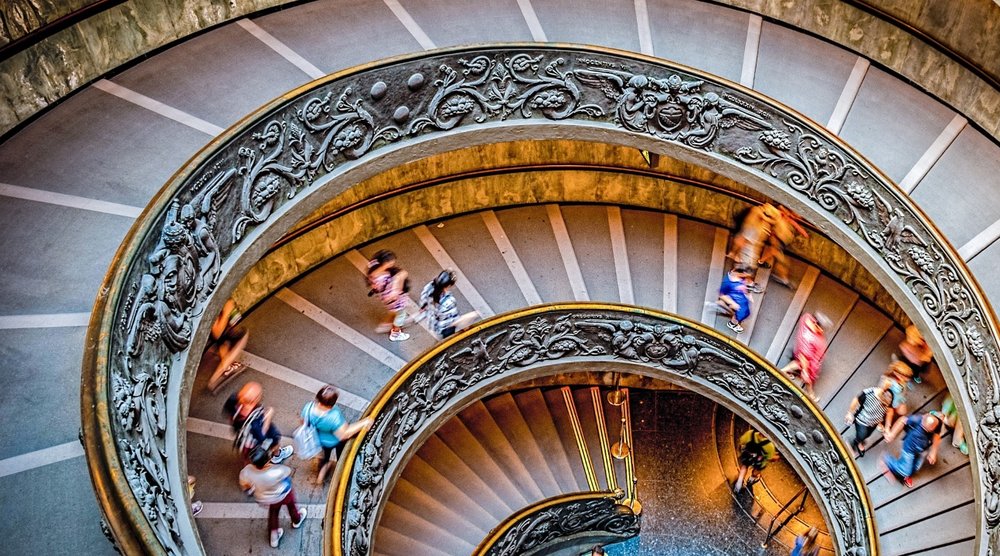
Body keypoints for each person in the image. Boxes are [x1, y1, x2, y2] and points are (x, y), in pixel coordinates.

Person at [301, 385, 374, 484]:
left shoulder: (308, 408)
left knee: (325, 457)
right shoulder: (333, 417)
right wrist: (364, 422)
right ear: (332, 404)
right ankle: (341, 472)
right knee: (342, 457)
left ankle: (321, 476)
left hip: (320, 440)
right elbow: (344, 434)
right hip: (336, 441)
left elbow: (303, 422)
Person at [239, 445, 307, 548]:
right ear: (267, 460)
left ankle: (274, 537)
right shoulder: (276, 471)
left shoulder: (247, 472)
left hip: (266, 499)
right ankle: (297, 520)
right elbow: (287, 472)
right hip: (283, 494)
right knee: (291, 506)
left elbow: (245, 486)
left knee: (273, 514)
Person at [224, 381, 293, 464]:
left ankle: (249, 466)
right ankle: (277, 455)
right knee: (274, 440)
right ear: (254, 400)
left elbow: (228, 414)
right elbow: (262, 436)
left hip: (243, 440)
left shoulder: (233, 400)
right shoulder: (255, 418)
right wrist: (268, 416)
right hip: (254, 443)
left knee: (249, 456)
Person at [881, 412, 944, 488]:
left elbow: (937, 436)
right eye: (923, 426)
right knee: (905, 470)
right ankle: (886, 461)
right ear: (923, 417)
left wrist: (933, 452)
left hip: (921, 450)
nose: (924, 430)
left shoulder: (937, 424)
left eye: (928, 429)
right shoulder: (917, 419)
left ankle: (906, 474)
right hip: (909, 449)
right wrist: (892, 434)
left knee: (916, 466)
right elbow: (902, 420)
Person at [780, 312, 831, 402]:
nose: (822, 331)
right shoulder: (810, 340)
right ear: (816, 324)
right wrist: (805, 371)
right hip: (805, 360)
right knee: (806, 375)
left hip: (799, 352)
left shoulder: (806, 318)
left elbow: (806, 317)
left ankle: (783, 371)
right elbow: (804, 357)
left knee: (798, 364)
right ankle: (811, 395)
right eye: (821, 329)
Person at [418, 270, 480, 339]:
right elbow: (453, 319)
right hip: (443, 328)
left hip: (432, 322)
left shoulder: (429, 287)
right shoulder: (449, 301)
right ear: (449, 285)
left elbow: (423, 300)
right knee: (473, 315)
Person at [758, 205, 808, 288]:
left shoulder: (790, 219)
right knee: (780, 258)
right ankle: (782, 277)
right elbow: (779, 207)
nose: (799, 217)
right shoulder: (783, 215)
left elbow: (799, 229)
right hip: (778, 238)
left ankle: (762, 262)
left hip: (781, 240)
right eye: (798, 214)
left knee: (776, 254)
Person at [366, 250, 411, 342]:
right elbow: (393, 294)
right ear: (385, 263)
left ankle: (387, 323)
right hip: (394, 300)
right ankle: (395, 333)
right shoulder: (383, 277)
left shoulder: (373, 272)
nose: (393, 264)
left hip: (386, 298)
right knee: (401, 314)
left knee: (394, 312)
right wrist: (398, 281)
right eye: (391, 262)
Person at [206, 299, 249, 393]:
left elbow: (236, 319)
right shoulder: (211, 310)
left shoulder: (226, 301)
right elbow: (217, 334)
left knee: (225, 344)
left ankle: (229, 367)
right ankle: (214, 380)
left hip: (226, 335)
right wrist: (227, 313)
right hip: (222, 336)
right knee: (243, 336)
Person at [844, 382, 894, 457]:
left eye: (889, 398)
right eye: (885, 395)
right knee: (862, 434)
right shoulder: (870, 393)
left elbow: (890, 412)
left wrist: (887, 428)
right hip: (862, 419)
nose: (887, 398)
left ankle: (859, 441)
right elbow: (857, 399)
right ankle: (852, 442)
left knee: (867, 434)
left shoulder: (887, 404)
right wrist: (850, 413)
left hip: (873, 423)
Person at [728, 203, 779, 273]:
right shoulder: (757, 211)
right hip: (751, 234)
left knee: (749, 248)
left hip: (752, 234)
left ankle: (744, 265)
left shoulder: (758, 215)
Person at [735, 428, 777, 493]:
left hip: (748, 455)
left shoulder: (750, 433)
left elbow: (742, 441)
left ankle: (738, 484)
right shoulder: (770, 446)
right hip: (759, 461)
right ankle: (751, 479)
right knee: (757, 470)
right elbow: (769, 458)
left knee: (745, 466)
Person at [718, 265, 754, 334]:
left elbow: (744, 285)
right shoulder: (727, 282)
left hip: (741, 299)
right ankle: (732, 324)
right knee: (740, 314)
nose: (746, 277)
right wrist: (732, 303)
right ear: (739, 273)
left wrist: (748, 294)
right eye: (745, 275)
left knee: (745, 312)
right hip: (735, 301)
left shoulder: (740, 278)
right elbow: (722, 294)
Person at [881, 360, 914, 429]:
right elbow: (881, 391)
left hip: (898, 400)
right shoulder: (889, 381)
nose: (907, 379)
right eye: (906, 377)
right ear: (897, 374)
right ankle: (883, 425)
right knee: (888, 413)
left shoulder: (902, 381)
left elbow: (903, 388)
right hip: (889, 400)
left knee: (902, 412)